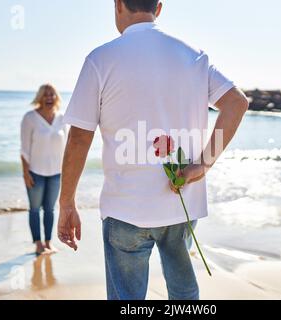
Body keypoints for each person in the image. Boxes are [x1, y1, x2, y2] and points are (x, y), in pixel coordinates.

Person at [58, 0, 248, 300]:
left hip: (125, 207)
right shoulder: (193, 55)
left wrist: (66, 203)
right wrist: (204, 163)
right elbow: (237, 102)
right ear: (158, 8)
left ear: (118, 4)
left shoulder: (100, 59)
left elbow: (80, 137)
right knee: (184, 293)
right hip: (181, 201)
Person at [21, 84, 68, 255]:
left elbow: (67, 148)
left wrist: (67, 173)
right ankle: (38, 244)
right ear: (40, 97)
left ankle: (48, 243)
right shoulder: (30, 118)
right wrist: (25, 173)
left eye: (52, 94)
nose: (49, 97)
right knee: (34, 209)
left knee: (50, 209)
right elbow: (24, 149)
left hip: (56, 173)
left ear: (56, 98)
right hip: (35, 173)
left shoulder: (62, 118)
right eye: (45, 94)